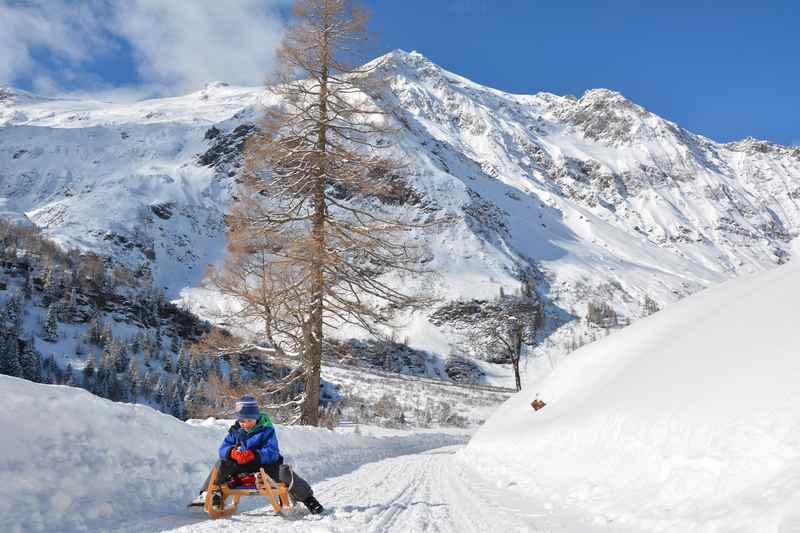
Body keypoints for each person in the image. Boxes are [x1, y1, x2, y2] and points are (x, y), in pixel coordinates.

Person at [193, 395, 324, 514]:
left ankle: (308, 499)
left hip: (265, 464)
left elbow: (272, 452)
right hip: (242, 465)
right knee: (221, 464)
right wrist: (232, 453)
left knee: (285, 472)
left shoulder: (266, 430)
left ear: (256, 417)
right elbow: (223, 448)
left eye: (249, 420)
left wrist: (254, 455)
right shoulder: (235, 431)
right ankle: (207, 493)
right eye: (242, 421)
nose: (245, 424)